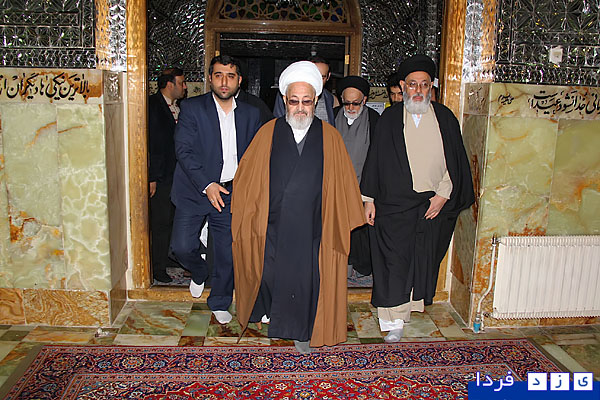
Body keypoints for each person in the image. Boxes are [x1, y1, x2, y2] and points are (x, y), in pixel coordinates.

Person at [231, 61, 365, 353]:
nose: (301, 108)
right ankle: (270, 314)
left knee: (307, 281)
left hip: (314, 228)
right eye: (294, 101)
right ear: (284, 100)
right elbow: (246, 178)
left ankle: (303, 330)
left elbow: (343, 183)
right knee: (268, 273)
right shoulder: (267, 132)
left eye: (306, 101)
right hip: (272, 226)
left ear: (315, 101)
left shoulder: (330, 136)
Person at [361, 55, 474, 343]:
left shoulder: (445, 118)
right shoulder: (389, 119)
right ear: (403, 86)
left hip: (430, 206)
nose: (418, 90)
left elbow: (455, 163)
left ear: (431, 87)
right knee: (393, 262)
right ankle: (393, 320)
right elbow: (374, 160)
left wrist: (443, 195)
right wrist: (369, 199)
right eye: (412, 84)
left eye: (424, 84)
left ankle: (407, 309)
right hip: (393, 206)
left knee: (420, 261)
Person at [170, 55, 261, 324]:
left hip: (231, 193)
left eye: (230, 76)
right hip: (194, 190)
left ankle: (220, 300)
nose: (224, 81)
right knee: (181, 246)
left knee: (225, 253)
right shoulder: (192, 108)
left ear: (239, 81)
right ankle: (199, 271)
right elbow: (183, 150)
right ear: (210, 78)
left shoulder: (251, 114)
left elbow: (255, 155)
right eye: (219, 75)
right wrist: (207, 184)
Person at [333, 76, 379, 276]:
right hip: (336, 186)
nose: (351, 107)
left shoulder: (375, 120)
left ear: (365, 100)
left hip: (363, 186)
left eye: (356, 103)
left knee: (360, 231)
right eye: (347, 103)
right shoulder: (333, 116)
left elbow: (378, 157)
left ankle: (359, 269)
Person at [148, 67, 187, 283]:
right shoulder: (153, 106)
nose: (185, 87)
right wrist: (151, 177)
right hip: (161, 176)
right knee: (160, 223)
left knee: (172, 220)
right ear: (169, 84)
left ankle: (168, 258)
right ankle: (157, 267)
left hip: (176, 176)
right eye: (181, 83)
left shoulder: (179, 107)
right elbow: (152, 144)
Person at [273, 56, 339, 126]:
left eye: (322, 77)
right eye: (314, 76)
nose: (317, 80)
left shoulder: (330, 98)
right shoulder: (287, 95)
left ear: (328, 76)